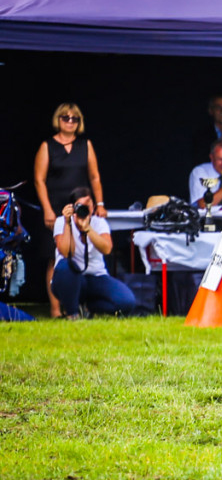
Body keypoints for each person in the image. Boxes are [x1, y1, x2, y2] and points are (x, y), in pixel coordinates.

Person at [34, 103, 107, 318]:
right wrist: (47, 209)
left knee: (79, 254)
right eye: (65, 117)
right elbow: (39, 180)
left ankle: (73, 307)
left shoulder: (86, 145)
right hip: (56, 206)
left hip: (80, 206)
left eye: (74, 118)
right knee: (54, 257)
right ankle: (56, 310)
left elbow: (95, 177)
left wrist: (100, 204)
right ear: (58, 119)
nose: (70, 122)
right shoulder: (47, 146)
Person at [51, 186, 135, 319]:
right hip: (69, 278)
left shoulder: (99, 222)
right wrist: (68, 224)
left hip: (95, 277)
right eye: (80, 206)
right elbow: (66, 252)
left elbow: (107, 249)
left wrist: (88, 228)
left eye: (87, 206)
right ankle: (72, 314)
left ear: (94, 207)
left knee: (127, 302)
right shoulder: (61, 221)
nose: (84, 210)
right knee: (65, 267)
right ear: (72, 208)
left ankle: (89, 308)